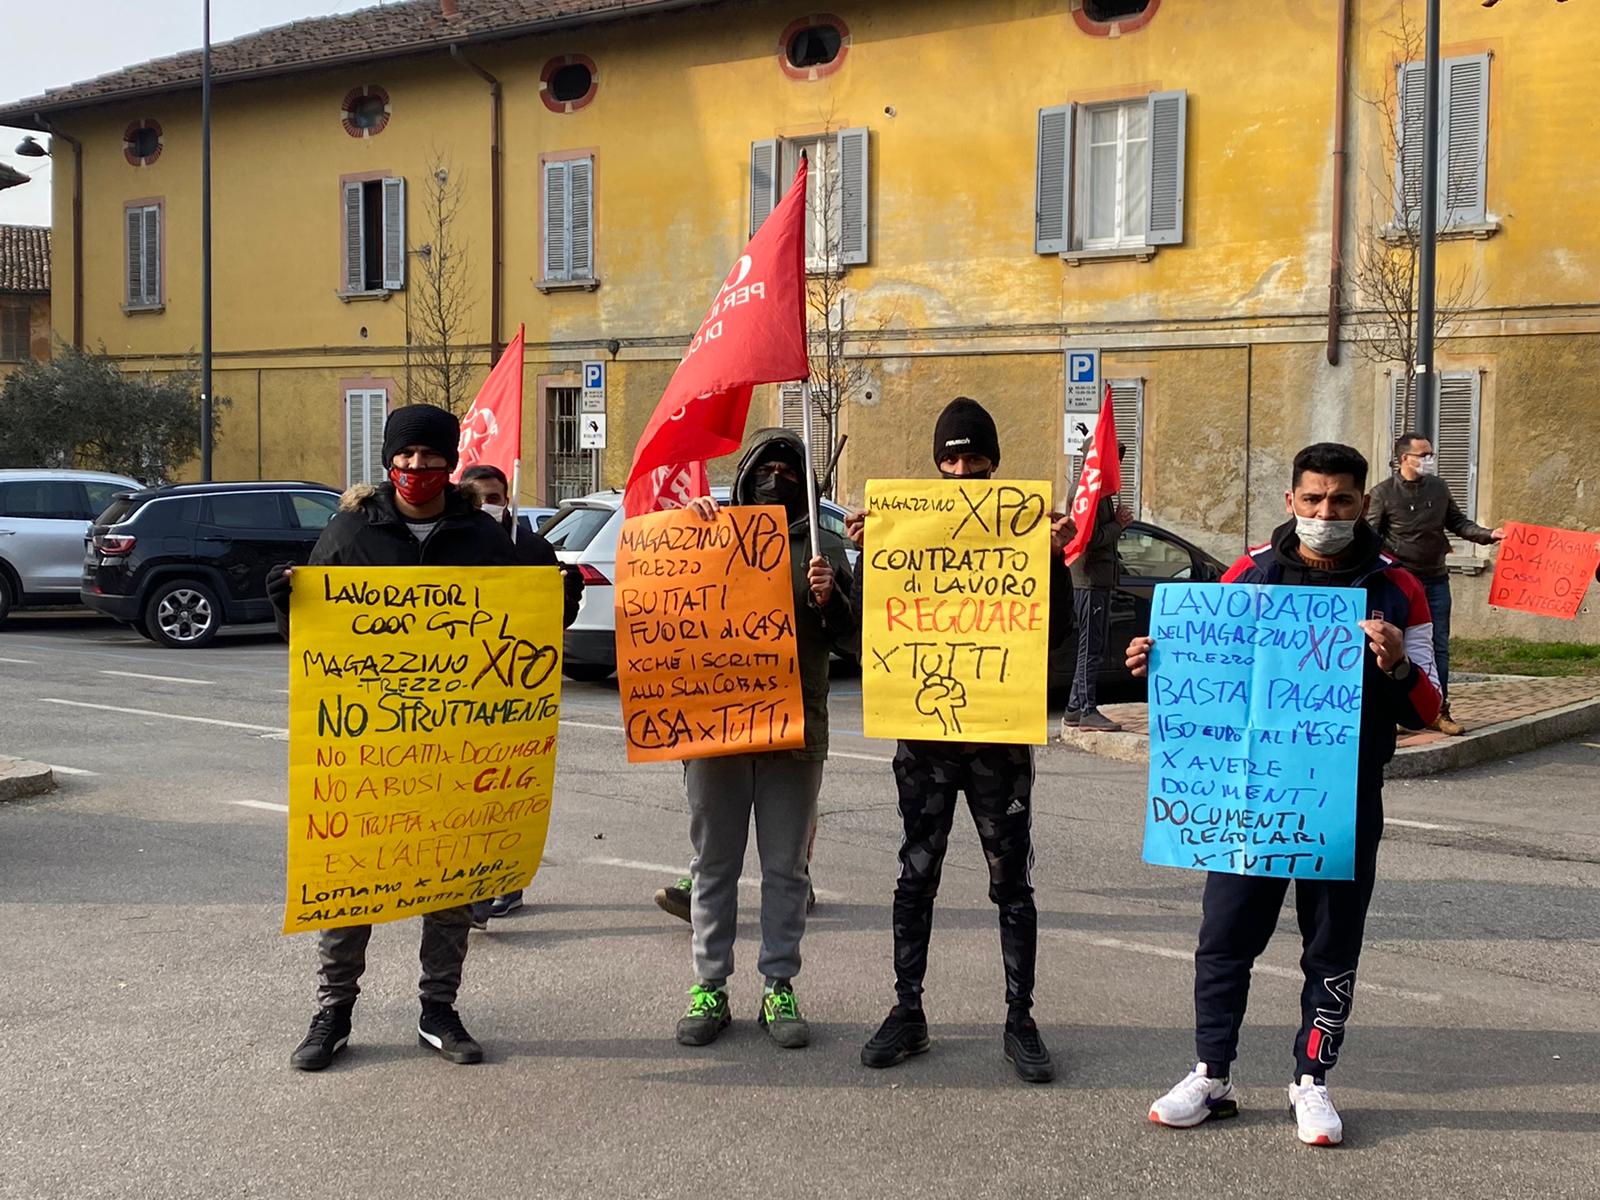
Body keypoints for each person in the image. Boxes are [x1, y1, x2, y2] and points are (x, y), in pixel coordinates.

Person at [1133, 442, 1441, 1146]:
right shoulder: (1251, 573)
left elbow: (1431, 706)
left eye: (1339, 502)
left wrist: (1395, 665)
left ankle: (1312, 1080)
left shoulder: (1402, 589)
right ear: (1290, 503)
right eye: (1312, 500)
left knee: (1332, 945)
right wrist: (1160, 660)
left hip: (1343, 802)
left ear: (1364, 504)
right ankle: (1212, 1072)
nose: (1325, 513)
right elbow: (1210, 675)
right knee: (1224, 939)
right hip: (1251, 795)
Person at [265, 403, 524, 1072]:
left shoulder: (482, 537)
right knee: (350, 883)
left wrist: (561, 599)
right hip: (363, 747)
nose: (416, 469)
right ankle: (334, 1010)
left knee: (448, 886)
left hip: (456, 744)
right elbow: (310, 641)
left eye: (430, 458)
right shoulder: (351, 531)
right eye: (404, 458)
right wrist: (285, 601)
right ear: (388, 462)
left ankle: (439, 1008)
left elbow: (526, 632)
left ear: (450, 462)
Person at [845, 397, 1075, 1084]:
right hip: (923, 740)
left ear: (995, 463)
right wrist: (865, 561)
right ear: (936, 465)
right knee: (915, 876)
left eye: (975, 459)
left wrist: (1055, 560)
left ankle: (1020, 1019)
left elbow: (1056, 632)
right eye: (951, 458)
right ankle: (907, 1009)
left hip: (998, 739)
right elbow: (870, 634)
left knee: (1012, 884)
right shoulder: (908, 533)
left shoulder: (1023, 536)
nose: (962, 470)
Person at [673, 428, 859, 1050]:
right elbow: (666, 606)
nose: (776, 476)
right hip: (715, 730)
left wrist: (831, 599)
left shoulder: (823, 547)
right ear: (745, 474)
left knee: (786, 867)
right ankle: (710, 986)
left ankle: (779, 984)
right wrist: (687, 529)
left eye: (789, 468)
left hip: (795, 729)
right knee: (713, 863)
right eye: (765, 467)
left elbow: (853, 641)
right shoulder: (709, 533)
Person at [457, 463, 584, 922]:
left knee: (506, 794)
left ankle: (505, 883)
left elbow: (554, 622)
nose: (488, 505)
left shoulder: (531, 547)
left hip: (515, 696)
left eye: (495, 496)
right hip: (459, 695)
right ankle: (467, 886)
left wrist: (569, 594)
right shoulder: (450, 545)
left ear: (507, 498)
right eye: (478, 497)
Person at [1366, 433, 1503, 736]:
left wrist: (1489, 534)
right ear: (1405, 459)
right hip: (1400, 583)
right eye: (1423, 454)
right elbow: (1370, 538)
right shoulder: (1383, 493)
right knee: (1392, 647)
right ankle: (1399, 710)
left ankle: (1437, 710)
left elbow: (1457, 523)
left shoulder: (1439, 488)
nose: (1430, 459)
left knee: (1437, 646)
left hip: (1436, 579)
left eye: (1431, 453)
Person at [1061, 443, 1133, 733]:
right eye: (1114, 459)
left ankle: (1075, 707)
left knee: (1094, 646)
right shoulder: (1087, 490)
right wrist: (1118, 524)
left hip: (1098, 580)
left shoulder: (1099, 489)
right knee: (1090, 647)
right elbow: (1086, 538)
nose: (1117, 465)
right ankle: (1087, 709)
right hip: (1089, 580)